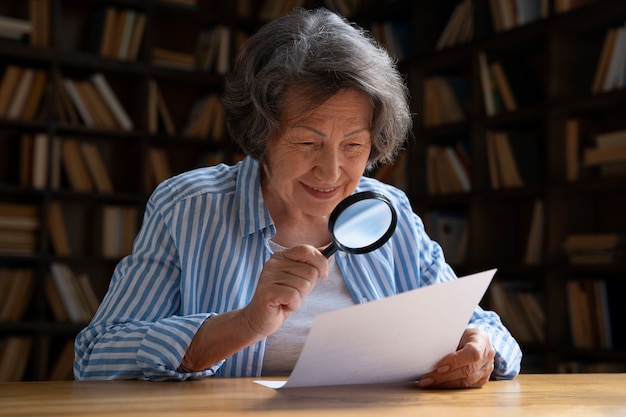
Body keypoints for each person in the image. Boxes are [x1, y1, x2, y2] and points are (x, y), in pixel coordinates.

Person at [74, 7, 522, 388]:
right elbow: (95, 359)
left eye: (353, 146)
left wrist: (478, 347)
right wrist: (244, 324)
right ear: (260, 134)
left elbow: (486, 329)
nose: (331, 172)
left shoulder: (389, 210)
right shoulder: (189, 206)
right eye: (307, 143)